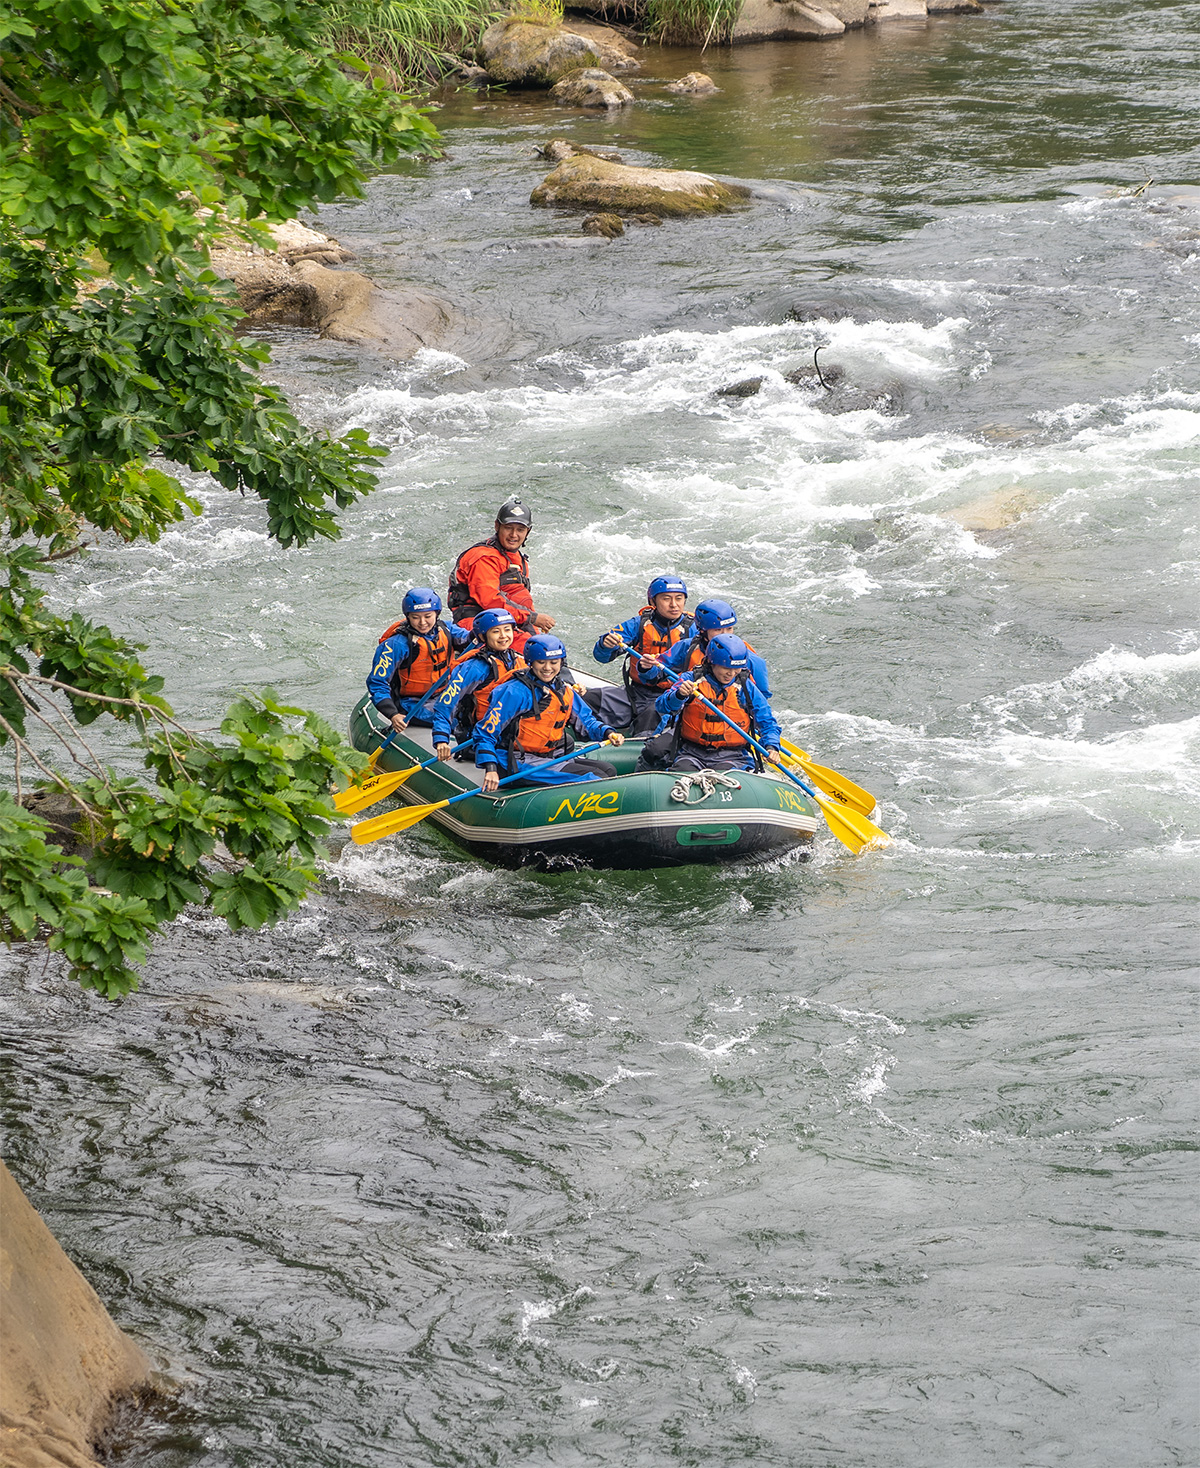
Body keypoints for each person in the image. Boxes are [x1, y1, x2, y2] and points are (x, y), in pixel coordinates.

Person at [474, 634, 625, 790]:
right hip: (516, 762)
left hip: (550, 757)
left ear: (561, 663)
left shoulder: (564, 690)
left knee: (608, 770)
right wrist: (491, 769)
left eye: (554, 663)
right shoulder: (514, 692)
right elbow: (485, 733)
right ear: (530, 662)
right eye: (541, 662)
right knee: (596, 778)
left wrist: (607, 733)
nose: (547, 668)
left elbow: (587, 721)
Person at [652, 633, 784, 774]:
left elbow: (767, 721)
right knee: (681, 771)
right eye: (726, 668)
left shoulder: (746, 687)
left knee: (722, 777)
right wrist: (679, 695)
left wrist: (771, 746)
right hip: (692, 753)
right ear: (712, 662)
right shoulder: (690, 679)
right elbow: (661, 706)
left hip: (733, 757)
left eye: (736, 668)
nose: (731, 674)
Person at [586, 575, 694, 735]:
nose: (674, 605)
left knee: (651, 716)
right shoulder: (639, 624)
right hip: (635, 693)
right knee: (585, 700)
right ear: (653, 602)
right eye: (666, 599)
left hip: (673, 698)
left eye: (679, 598)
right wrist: (605, 645)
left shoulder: (694, 630)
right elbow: (601, 656)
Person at [447, 497, 556, 653]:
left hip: (509, 622)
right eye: (508, 528)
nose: (513, 535)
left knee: (545, 647)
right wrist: (532, 618)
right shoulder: (483, 557)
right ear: (497, 526)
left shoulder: (516, 557)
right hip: (478, 623)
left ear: (528, 532)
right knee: (538, 651)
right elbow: (490, 601)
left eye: (520, 530)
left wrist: (531, 624)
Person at [367, 587, 473, 733]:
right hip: (412, 704)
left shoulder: (446, 629)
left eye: (428, 616)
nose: (422, 622)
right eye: (416, 617)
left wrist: (484, 631)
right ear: (408, 616)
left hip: (445, 693)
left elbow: (469, 638)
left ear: (437, 614)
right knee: (456, 720)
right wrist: (393, 714)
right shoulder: (396, 645)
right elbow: (378, 683)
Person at [430, 608, 527, 760]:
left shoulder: (519, 661)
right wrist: (441, 739)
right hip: (481, 738)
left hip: (511, 735)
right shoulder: (474, 667)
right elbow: (446, 703)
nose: (503, 636)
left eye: (507, 630)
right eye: (496, 631)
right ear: (483, 636)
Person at [660, 598, 772, 698]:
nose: (724, 634)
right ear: (703, 631)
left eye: (729, 628)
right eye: (717, 630)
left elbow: (762, 695)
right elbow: (657, 667)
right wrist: (645, 668)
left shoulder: (748, 656)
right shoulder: (687, 646)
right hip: (692, 703)